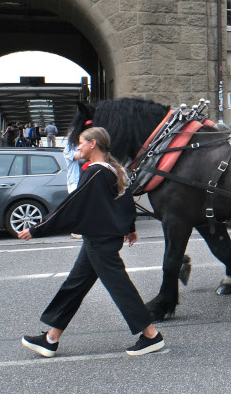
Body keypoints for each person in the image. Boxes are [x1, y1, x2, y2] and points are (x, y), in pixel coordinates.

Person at [18, 126, 164, 358]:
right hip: (100, 240)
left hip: (100, 242)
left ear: (93, 143)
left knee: (120, 288)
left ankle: (151, 336)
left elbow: (71, 204)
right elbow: (125, 200)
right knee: (74, 286)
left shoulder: (95, 172)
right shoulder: (114, 170)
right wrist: (130, 228)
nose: (78, 147)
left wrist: (37, 229)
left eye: (81, 143)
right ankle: (50, 339)